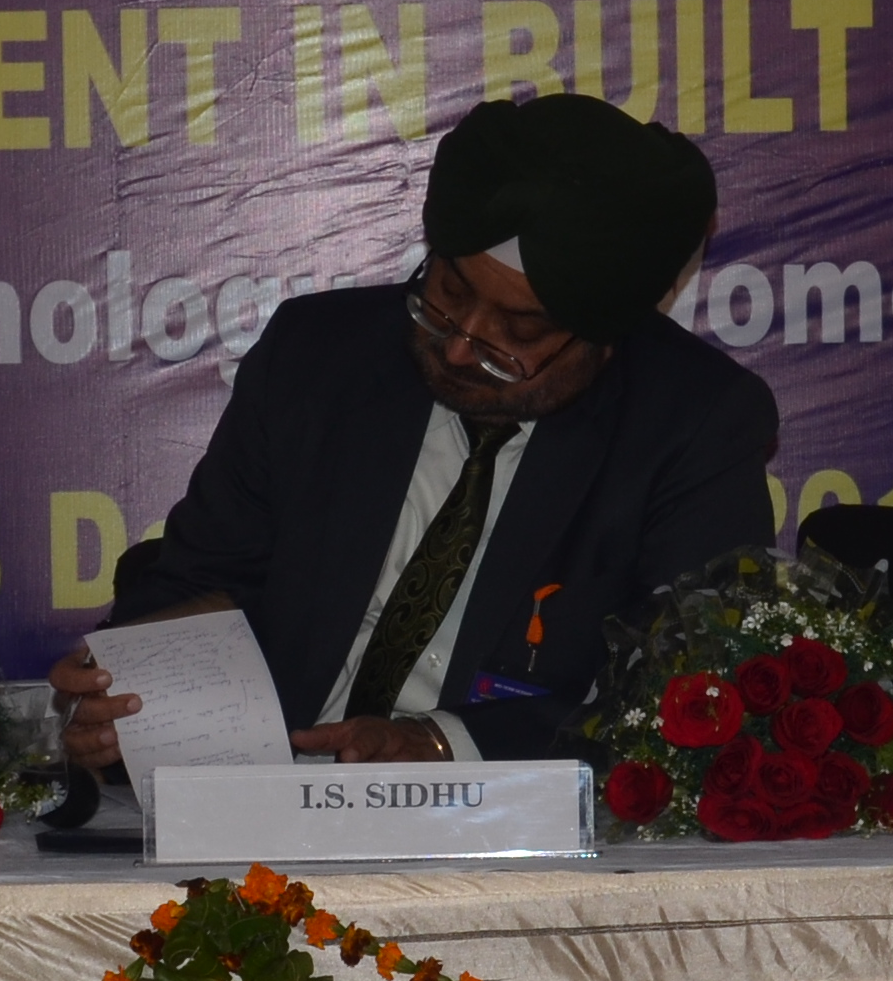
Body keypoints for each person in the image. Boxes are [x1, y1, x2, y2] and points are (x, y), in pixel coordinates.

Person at [56, 92, 776, 770]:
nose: (460, 346)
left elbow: (686, 683)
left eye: (520, 330)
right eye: (449, 292)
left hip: (509, 810)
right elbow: (206, 579)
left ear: (606, 336)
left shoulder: (694, 422)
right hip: (272, 786)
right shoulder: (316, 357)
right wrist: (123, 680)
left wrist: (439, 746)